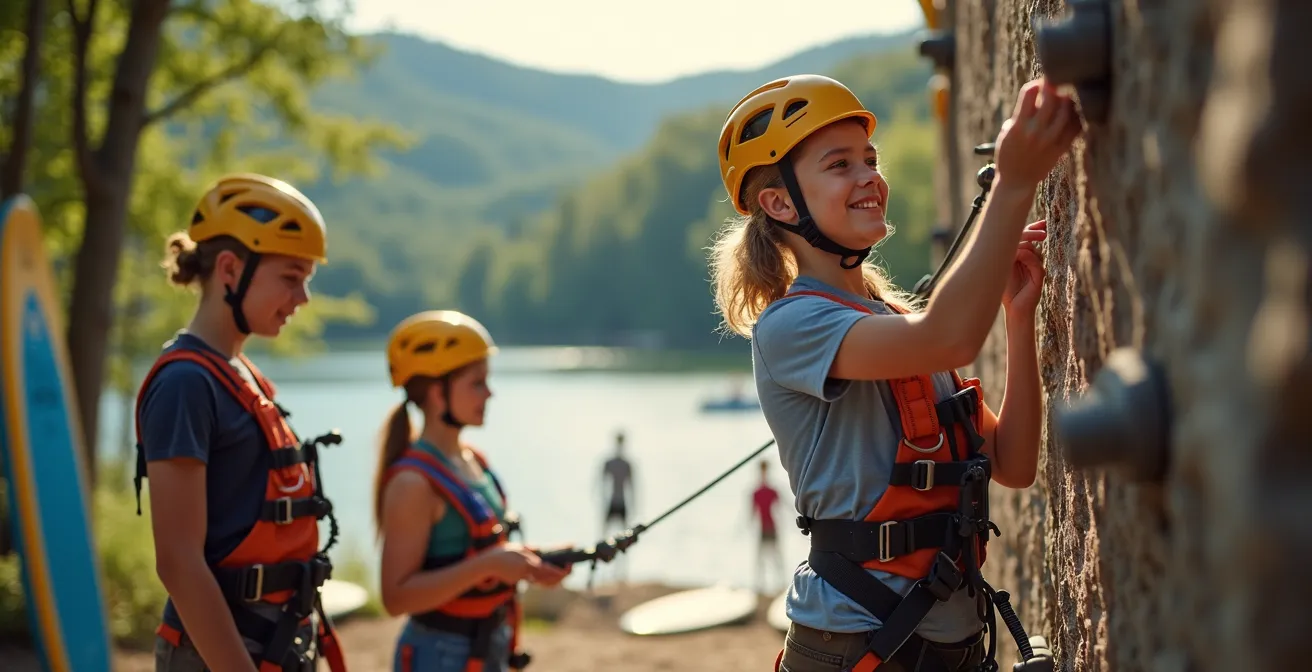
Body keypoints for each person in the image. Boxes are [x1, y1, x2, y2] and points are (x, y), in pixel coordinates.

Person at [709, 74, 1080, 672]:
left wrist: (1018, 319)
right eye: (839, 165)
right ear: (780, 204)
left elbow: (1013, 463)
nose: (869, 178)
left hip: (942, 645)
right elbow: (949, 335)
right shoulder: (793, 326)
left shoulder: (898, 323)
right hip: (857, 646)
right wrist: (1014, 183)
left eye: (869, 159)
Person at [134, 174, 347, 672]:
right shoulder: (187, 384)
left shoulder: (241, 375)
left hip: (276, 647)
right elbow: (179, 562)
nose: (304, 298)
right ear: (230, 269)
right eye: (291, 278)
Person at [374, 310, 572, 672]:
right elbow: (395, 596)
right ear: (438, 392)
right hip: (439, 655)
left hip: (489, 645)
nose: (490, 393)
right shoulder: (412, 484)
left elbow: (478, 553)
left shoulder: (472, 459)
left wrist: (533, 561)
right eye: (477, 383)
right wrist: (493, 563)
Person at [750, 459, 786, 596]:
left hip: (772, 528)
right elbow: (752, 513)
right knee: (761, 559)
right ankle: (760, 586)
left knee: (776, 557)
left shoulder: (772, 491)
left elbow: (781, 509)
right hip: (762, 529)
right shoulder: (756, 493)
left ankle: (781, 584)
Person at [599, 430, 635, 534]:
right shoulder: (610, 463)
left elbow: (632, 486)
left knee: (625, 534)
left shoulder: (626, 464)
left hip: (621, 502)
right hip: (612, 501)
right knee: (605, 532)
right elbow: (601, 484)